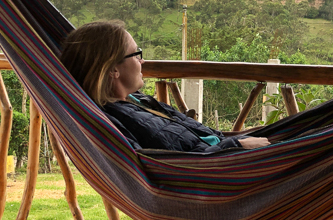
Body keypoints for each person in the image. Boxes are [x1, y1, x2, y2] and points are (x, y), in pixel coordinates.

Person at [60, 21, 269, 154]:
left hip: (228, 151)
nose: (142, 61)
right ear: (113, 69)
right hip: (225, 168)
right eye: (136, 54)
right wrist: (236, 145)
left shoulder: (138, 101)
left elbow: (203, 137)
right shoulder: (112, 120)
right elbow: (167, 168)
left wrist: (240, 139)